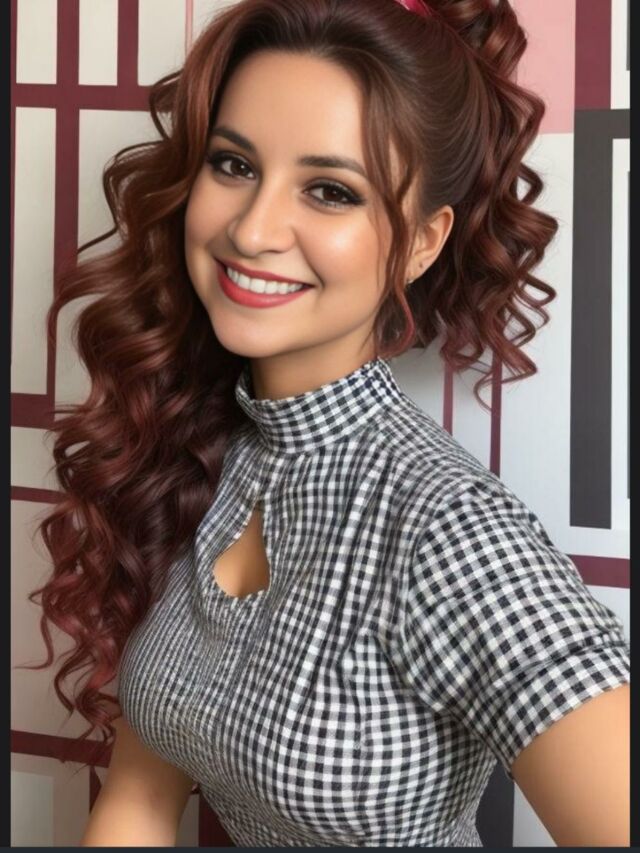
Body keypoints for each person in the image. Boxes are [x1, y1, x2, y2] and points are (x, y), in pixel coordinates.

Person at [24, 0, 629, 846]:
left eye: (330, 190)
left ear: (422, 242)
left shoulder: (447, 529)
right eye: (234, 164)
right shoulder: (194, 455)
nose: (252, 229)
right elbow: (139, 803)